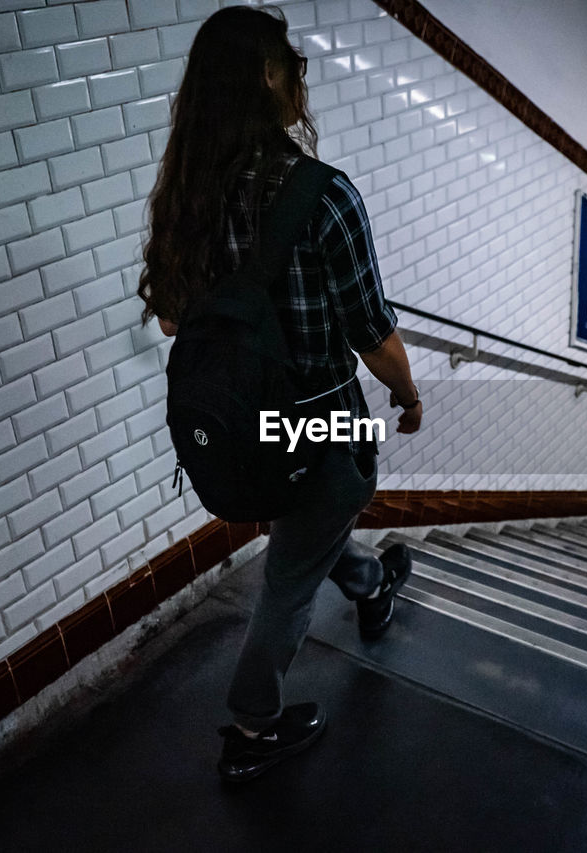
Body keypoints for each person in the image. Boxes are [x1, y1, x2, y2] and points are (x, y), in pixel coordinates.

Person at [137, 5, 423, 783]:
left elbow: (170, 321)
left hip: (235, 427)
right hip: (318, 424)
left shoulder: (185, 195)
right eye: (292, 64)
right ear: (268, 78)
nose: (301, 76)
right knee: (290, 576)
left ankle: (372, 584)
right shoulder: (323, 196)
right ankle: (252, 725)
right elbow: (372, 332)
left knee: (308, 532)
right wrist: (407, 393)